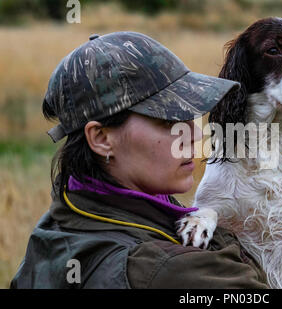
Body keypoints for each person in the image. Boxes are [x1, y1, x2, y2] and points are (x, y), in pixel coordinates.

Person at [10, 31, 268, 289]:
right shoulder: (167, 271)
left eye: (190, 114)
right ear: (100, 138)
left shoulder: (57, 227)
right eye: (168, 120)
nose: (195, 134)